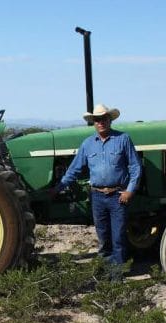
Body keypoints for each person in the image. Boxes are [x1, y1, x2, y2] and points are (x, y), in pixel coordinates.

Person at [52, 104, 142, 276]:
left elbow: (135, 167)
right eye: (97, 119)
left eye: (104, 118)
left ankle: (116, 277)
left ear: (110, 119)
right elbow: (74, 169)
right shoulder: (87, 144)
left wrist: (130, 190)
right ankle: (104, 275)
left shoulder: (123, 139)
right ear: (93, 122)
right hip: (97, 197)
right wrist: (58, 188)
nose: (101, 122)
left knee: (118, 238)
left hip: (117, 196)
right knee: (103, 237)